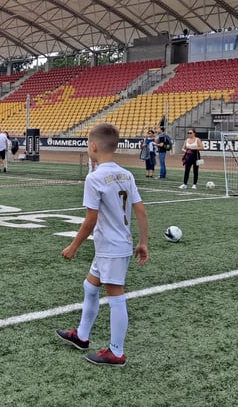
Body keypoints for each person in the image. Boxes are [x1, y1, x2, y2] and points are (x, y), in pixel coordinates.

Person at [55, 122, 149, 367]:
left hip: (111, 247)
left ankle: (116, 352)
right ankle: (82, 336)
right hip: (117, 244)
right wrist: (143, 242)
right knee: (90, 285)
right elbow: (140, 210)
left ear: (93, 146)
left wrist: (74, 246)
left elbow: (90, 219)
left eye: (88, 143)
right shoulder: (126, 174)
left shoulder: (94, 178)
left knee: (116, 295)